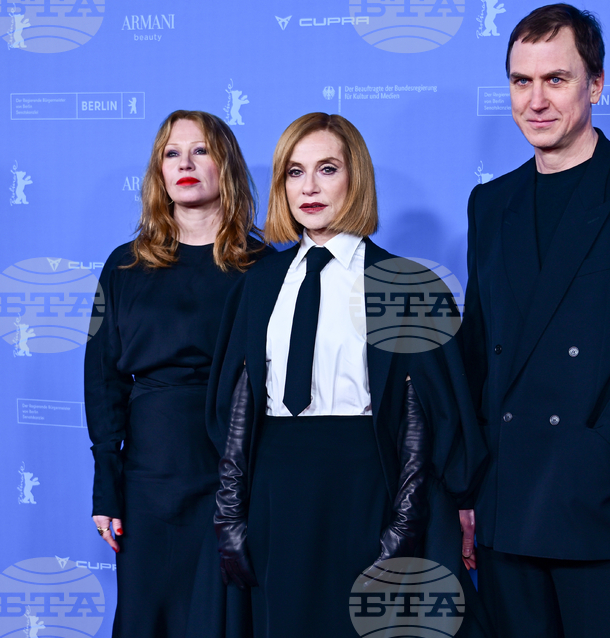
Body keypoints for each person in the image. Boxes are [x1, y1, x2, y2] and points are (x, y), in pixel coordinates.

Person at [457, 4, 610, 637]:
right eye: (522, 81)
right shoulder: (491, 204)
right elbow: (475, 352)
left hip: (598, 505)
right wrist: (464, 487)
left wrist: (606, 456)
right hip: (504, 502)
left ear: (595, 84)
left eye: (556, 79)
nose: (536, 100)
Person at [208, 112, 487, 637]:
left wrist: (404, 526)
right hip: (276, 491)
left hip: (366, 487)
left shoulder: (406, 285)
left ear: (355, 178)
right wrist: (230, 516)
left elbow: (431, 414)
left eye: (327, 169)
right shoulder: (259, 283)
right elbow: (235, 406)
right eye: (294, 172)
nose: (308, 187)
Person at [85, 110, 269, 637]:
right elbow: (103, 381)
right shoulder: (123, 266)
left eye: (201, 151)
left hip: (233, 473)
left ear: (225, 165)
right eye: (172, 153)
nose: (185, 163)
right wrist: (107, 483)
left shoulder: (262, 266)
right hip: (149, 479)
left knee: (224, 620)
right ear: (158, 172)